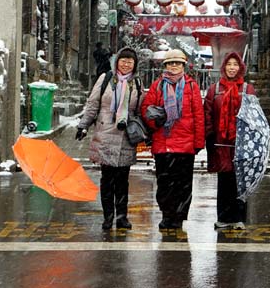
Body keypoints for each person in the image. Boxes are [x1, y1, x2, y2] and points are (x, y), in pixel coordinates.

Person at [76, 46, 142, 230]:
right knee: (107, 179)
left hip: (125, 136)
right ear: (117, 61)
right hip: (105, 134)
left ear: (135, 64)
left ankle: (122, 217)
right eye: (123, 60)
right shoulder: (105, 79)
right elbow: (93, 104)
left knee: (122, 181)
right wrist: (83, 125)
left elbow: (140, 109)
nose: (126, 64)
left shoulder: (136, 83)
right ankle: (108, 217)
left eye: (130, 61)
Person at [141, 49, 205, 231]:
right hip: (163, 143)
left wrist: (198, 142)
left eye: (177, 63)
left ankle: (179, 216)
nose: (174, 66)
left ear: (183, 66)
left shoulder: (191, 86)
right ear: (165, 66)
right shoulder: (157, 86)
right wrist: (154, 120)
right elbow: (146, 108)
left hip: (185, 144)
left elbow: (198, 116)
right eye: (171, 63)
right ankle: (167, 214)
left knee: (183, 184)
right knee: (164, 183)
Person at [204, 51, 256, 230]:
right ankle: (224, 217)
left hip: (242, 143)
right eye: (229, 64)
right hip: (221, 143)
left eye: (235, 64)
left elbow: (254, 115)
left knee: (240, 181)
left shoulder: (248, 89)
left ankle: (239, 217)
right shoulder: (215, 89)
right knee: (224, 180)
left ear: (240, 68)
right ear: (224, 67)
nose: (232, 68)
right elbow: (208, 114)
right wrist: (210, 135)